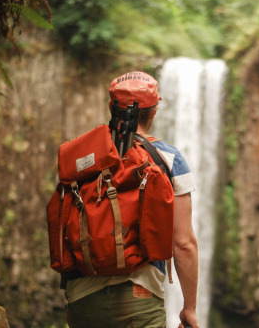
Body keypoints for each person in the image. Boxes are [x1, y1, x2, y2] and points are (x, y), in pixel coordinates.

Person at [65, 71, 200, 328]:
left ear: (110, 107)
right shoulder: (169, 158)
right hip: (139, 295)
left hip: (81, 296)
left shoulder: (81, 156)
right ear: (155, 110)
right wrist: (190, 308)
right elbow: (183, 244)